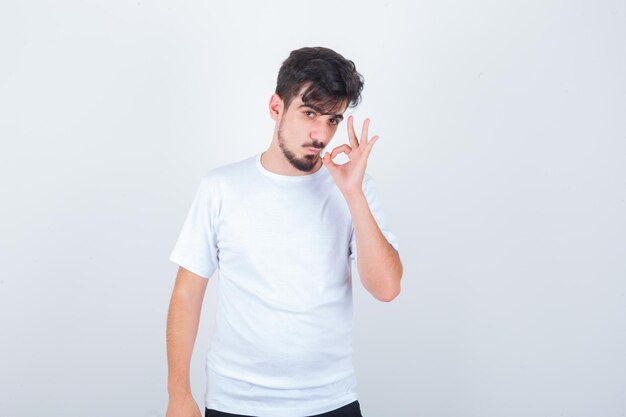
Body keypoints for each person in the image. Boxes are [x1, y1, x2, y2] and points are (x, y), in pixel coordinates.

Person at [165, 46, 403, 417]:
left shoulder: (355, 189)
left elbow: (386, 288)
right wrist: (179, 395)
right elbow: (187, 294)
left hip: (331, 400)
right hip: (235, 402)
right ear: (277, 107)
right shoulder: (221, 187)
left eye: (333, 120)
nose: (321, 133)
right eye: (309, 113)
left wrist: (353, 194)